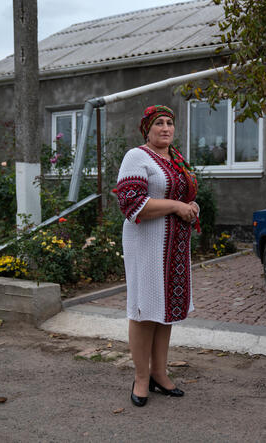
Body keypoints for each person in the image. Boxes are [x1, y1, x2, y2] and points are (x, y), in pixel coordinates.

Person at [114, 105, 200, 407]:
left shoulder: (176, 160)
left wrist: (191, 208)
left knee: (165, 310)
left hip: (175, 245)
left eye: (169, 123)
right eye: (159, 124)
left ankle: (160, 373)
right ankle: (141, 378)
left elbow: (185, 196)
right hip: (146, 244)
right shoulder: (137, 157)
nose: (166, 128)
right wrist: (177, 207)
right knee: (143, 309)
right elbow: (131, 203)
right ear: (147, 130)